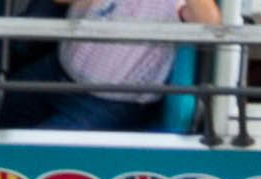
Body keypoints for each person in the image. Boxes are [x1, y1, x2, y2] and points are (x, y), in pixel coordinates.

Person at [37, 0, 220, 129]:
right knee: (8, 113)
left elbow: (210, 24)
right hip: (57, 70)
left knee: (35, 159)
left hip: (108, 103)